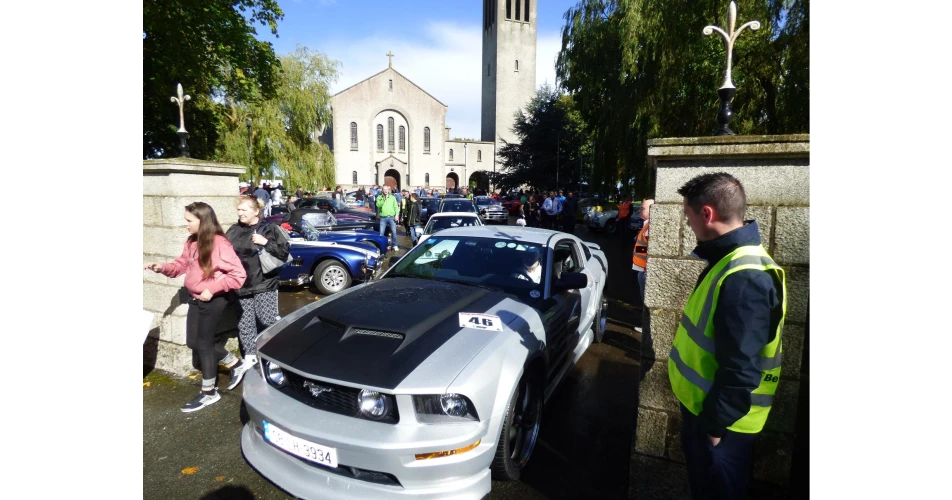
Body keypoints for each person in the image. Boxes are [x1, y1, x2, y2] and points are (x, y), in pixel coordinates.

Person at [669, 173, 786, 500]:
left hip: (722, 429)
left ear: (707, 214)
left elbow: (741, 369)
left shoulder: (745, 276)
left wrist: (713, 427)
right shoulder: (731, 260)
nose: (688, 224)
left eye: (688, 216)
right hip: (713, 418)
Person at [143, 202, 247, 412]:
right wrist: (162, 267)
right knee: (193, 342)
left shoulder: (219, 244)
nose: (186, 225)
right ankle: (235, 364)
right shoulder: (191, 241)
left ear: (203, 221)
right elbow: (181, 265)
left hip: (214, 299)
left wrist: (214, 288)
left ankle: (209, 392)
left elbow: (239, 275)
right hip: (197, 298)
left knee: (205, 344)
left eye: (189, 221)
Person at [224, 195, 291, 390]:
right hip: (241, 285)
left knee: (267, 318)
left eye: (244, 210)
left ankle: (285, 351)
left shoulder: (268, 228)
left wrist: (264, 242)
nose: (240, 213)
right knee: (245, 324)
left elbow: (284, 252)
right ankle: (250, 360)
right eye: (239, 210)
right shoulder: (233, 230)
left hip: (264, 283)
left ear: (256, 211)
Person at [632, 199, 653, 338]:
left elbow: (650, 250)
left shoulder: (651, 227)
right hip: (642, 268)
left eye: (643, 208)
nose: (640, 210)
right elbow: (644, 247)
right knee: (643, 299)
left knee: (646, 301)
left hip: (645, 270)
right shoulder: (646, 225)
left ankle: (647, 328)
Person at [376, 185, 400, 251]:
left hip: (391, 217)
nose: (386, 191)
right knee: (381, 233)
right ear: (382, 190)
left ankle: (395, 245)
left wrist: (397, 215)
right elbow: (378, 205)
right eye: (384, 189)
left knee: (394, 232)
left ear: (388, 190)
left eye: (387, 189)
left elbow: (396, 207)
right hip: (383, 218)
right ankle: (381, 246)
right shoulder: (379, 197)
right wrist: (383, 200)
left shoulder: (392, 197)